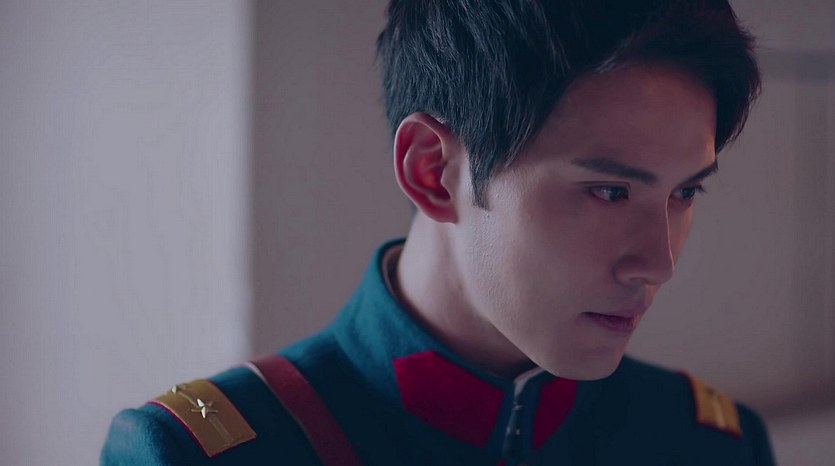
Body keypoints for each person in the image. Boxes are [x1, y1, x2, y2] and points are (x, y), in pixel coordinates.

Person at [102, 0, 774, 464]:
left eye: (685, 192)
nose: (658, 262)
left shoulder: (709, 446)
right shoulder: (200, 454)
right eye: (608, 191)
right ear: (432, 171)